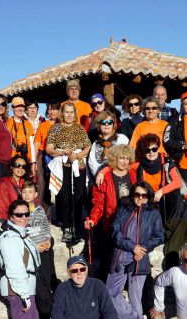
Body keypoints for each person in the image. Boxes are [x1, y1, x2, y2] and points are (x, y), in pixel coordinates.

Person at [107, 182, 164, 319]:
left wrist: (142, 249)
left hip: (140, 259)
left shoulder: (154, 213)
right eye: (137, 195)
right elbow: (115, 232)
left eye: (144, 195)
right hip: (120, 256)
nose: (140, 198)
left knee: (135, 296)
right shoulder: (123, 209)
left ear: (149, 197)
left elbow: (159, 236)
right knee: (111, 292)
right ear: (132, 195)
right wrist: (132, 247)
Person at [86, 145, 136, 280]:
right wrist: (93, 219)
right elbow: (98, 203)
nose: (124, 161)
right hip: (113, 222)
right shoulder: (105, 177)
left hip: (132, 222)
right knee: (112, 260)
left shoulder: (133, 173)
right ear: (114, 159)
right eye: (121, 158)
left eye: (127, 158)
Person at [45, 102, 91, 244]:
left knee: (78, 197)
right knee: (63, 197)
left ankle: (77, 228)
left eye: (72, 112)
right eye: (67, 112)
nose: (69, 115)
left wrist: (77, 156)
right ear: (62, 113)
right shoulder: (55, 129)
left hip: (78, 166)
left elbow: (87, 147)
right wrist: (62, 152)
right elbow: (49, 148)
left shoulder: (80, 128)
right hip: (63, 166)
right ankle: (66, 228)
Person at [20, 181, 56, 317]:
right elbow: (21, 234)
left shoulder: (39, 209)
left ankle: (50, 308)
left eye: (30, 192)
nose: (27, 195)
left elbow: (46, 227)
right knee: (38, 282)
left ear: (35, 194)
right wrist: (34, 246)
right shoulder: (19, 211)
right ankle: (43, 311)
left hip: (44, 247)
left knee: (47, 277)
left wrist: (47, 240)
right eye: (24, 192)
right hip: (31, 251)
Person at [129, 134, 182, 218]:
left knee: (176, 196)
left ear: (158, 148)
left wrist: (161, 191)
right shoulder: (138, 163)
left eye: (154, 149)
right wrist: (103, 172)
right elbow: (121, 167)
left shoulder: (166, 161)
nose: (151, 152)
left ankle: (172, 225)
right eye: (147, 150)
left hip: (162, 196)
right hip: (146, 197)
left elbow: (177, 182)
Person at [33, 99, 60, 212]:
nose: (52, 112)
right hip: (43, 156)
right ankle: (44, 216)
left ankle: (61, 218)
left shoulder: (63, 125)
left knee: (59, 185)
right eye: (50, 109)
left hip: (59, 156)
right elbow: (37, 143)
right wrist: (34, 162)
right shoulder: (43, 125)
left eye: (54, 109)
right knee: (43, 186)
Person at [87, 110, 129, 179]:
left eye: (109, 122)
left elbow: (127, 159)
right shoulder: (95, 143)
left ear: (113, 124)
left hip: (120, 176)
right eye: (103, 122)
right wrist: (101, 175)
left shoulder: (122, 138)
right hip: (101, 178)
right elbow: (92, 163)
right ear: (98, 125)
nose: (106, 124)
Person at [0, 155, 28, 221]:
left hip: (23, 219)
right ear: (11, 167)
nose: (20, 168)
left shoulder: (25, 183)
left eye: (24, 166)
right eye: (17, 165)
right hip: (9, 222)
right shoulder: (3, 184)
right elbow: (0, 210)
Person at [7, 97, 36, 171]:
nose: (20, 109)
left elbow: (32, 145)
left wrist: (33, 163)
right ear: (12, 108)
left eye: (22, 106)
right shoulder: (7, 123)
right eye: (17, 106)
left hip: (26, 162)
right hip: (11, 162)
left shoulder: (28, 124)